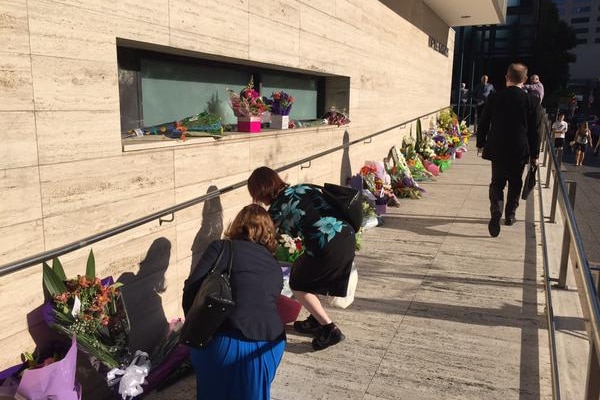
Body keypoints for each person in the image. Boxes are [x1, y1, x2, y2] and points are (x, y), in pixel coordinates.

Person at [182, 204, 286, 400]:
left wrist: (195, 326)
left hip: (225, 341)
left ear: (238, 225)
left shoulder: (221, 248)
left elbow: (191, 289)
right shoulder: (273, 264)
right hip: (270, 345)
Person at [247, 166, 355, 351]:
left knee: (298, 283)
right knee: (308, 271)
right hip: (346, 236)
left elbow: (264, 238)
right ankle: (315, 320)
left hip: (327, 246)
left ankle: (330, 329)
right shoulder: (304, 187)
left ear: (260, 191)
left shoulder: (276, 209)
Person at [476, 63, 542, 237]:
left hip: (497, 147)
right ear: (525, 80)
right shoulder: (532, 101)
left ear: (507, 77)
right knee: (515, 183)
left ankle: (496, 210)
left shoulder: (495, 98)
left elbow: (483, 122)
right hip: (520, 149)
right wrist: (535, 154)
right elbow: (536, 131)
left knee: (497, 182)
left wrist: (480, 142)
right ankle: (510, 215)